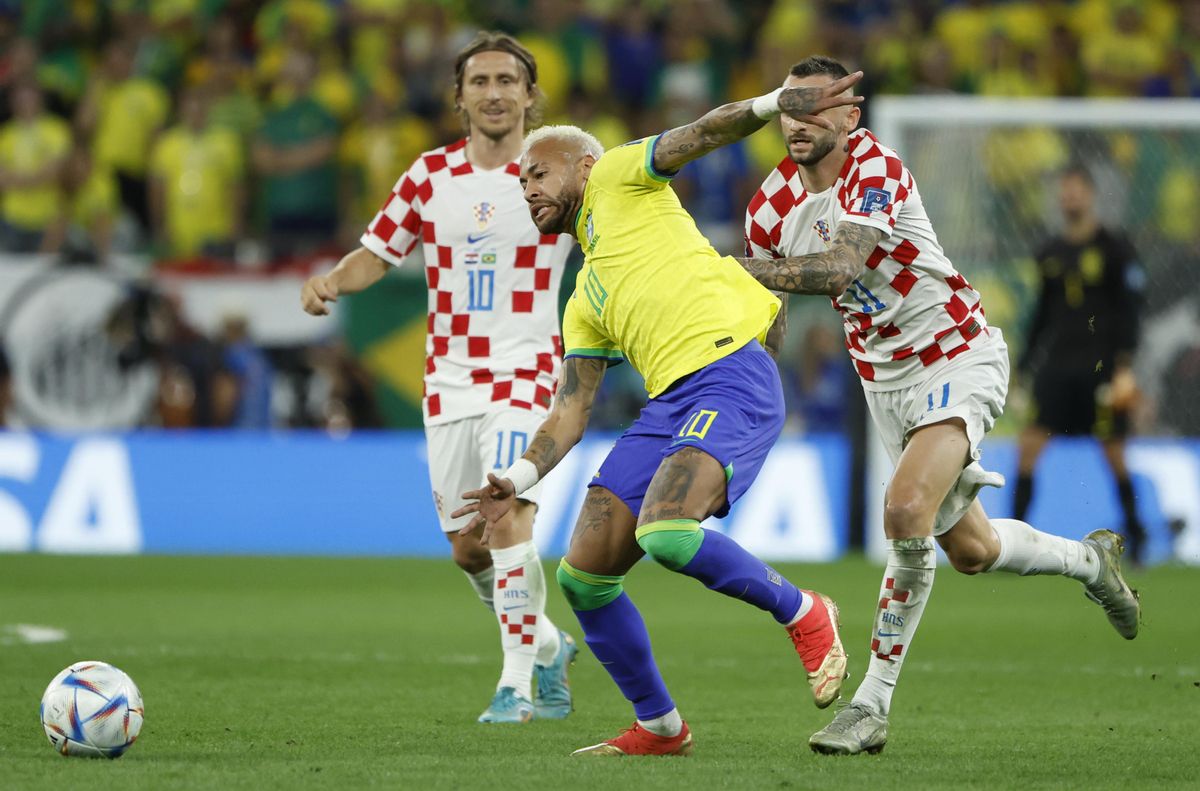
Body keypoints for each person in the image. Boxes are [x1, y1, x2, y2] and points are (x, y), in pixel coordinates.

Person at [452, 71, 865, 757]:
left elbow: (704, 132)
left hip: (731, 375)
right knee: (582, 572)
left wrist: (768, 106)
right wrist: (520, 477)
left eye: (538, 172)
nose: (526, 188)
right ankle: (661, 726)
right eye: (518, 183)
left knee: (668, 532)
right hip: (669, 402)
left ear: (584, 164)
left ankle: (805, 609)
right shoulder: (584, 293)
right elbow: (571, 410)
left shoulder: (619, 175)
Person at [739, 56, 1141, 757]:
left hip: (956, 352)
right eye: (788, 106)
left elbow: (840, 269)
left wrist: (728, 269)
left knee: (903, 510)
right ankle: (1090, 562)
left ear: (849, 117)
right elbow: (765, 304)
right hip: (884, 380)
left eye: (815, 106)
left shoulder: (877, 169)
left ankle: (871, 705)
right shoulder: (768, 207)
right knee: (972, 550)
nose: (798, 121)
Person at [300, 32, 577, 725]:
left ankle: (514, 684)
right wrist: (335, 279)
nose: (494, 92)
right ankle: (548, 645)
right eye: (479, 81)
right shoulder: (430, 176)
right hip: (449, 379)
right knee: (465, 548)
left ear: (530, 96)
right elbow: (377, 251)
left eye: (507, 80)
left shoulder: (563, 172)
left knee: (504, 507)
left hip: (527, 369)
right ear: (459, 97)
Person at [1015, 164, 1146, 564]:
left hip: (1101, 367)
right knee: (1029, 446)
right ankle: (1014, 535)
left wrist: (1125, 364)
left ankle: (1137, 533)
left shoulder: (1116, 249)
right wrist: (1023, 368)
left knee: (1114, 450)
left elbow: (1131, 310)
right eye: (1064, 191)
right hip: (1057, 366)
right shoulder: (1049, 253)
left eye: (1076, 190)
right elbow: (1041, 316)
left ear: (1090, 195)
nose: (1069, 197)